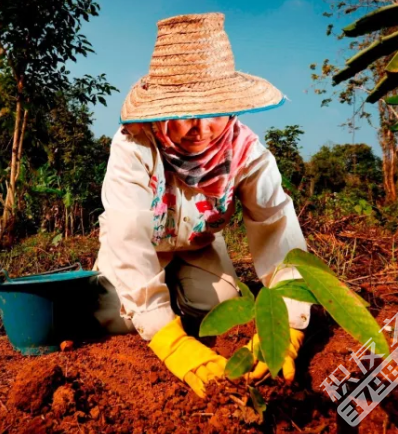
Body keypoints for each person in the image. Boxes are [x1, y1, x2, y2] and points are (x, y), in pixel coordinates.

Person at [92, 12, 312, 398]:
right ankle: (158, 306)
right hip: (142, 246)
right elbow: (127, 234)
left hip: (198, 245)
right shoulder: (133, 146)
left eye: (215, 110)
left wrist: (289, 323)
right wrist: (168, 339)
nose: (203, 127)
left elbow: (278, 229)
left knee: (220, 310)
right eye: (186, 112)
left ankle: (180, 295)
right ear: (161, 111)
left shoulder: (247, 153)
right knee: (113, 317)